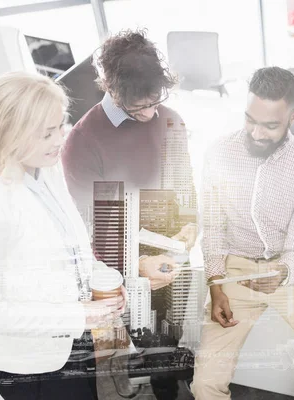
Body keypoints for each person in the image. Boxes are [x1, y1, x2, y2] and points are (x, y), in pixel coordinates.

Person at [192, 67, 294, 399]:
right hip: (234, 272)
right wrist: (216, 286)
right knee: (205, 385)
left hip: (293, 270)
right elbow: (212, 228)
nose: (256, 133)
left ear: (292, 116)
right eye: (250, 120)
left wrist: (281, 271)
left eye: (270, 125)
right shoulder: (218, 153)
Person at [61, 29, 198, 398]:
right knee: (150, 342)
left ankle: (165, 373)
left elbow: (185, 188)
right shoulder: (82, 143)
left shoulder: (169, 119)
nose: (152, 113)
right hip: (123, 264)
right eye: (140, 107)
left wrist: (188, 229)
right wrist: (138, 264)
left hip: (171, 255)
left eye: (157, 100)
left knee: (169, 336)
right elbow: (95, 230)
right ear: (113, 91)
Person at [0, 72, 125, 400]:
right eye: (46, 134)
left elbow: (70, 249)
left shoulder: (45, 172)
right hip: (30, 368)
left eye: (60, 126)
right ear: (8, 133)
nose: (59, 140)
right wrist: (77, 315)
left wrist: (104, 279)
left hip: (70, 344)